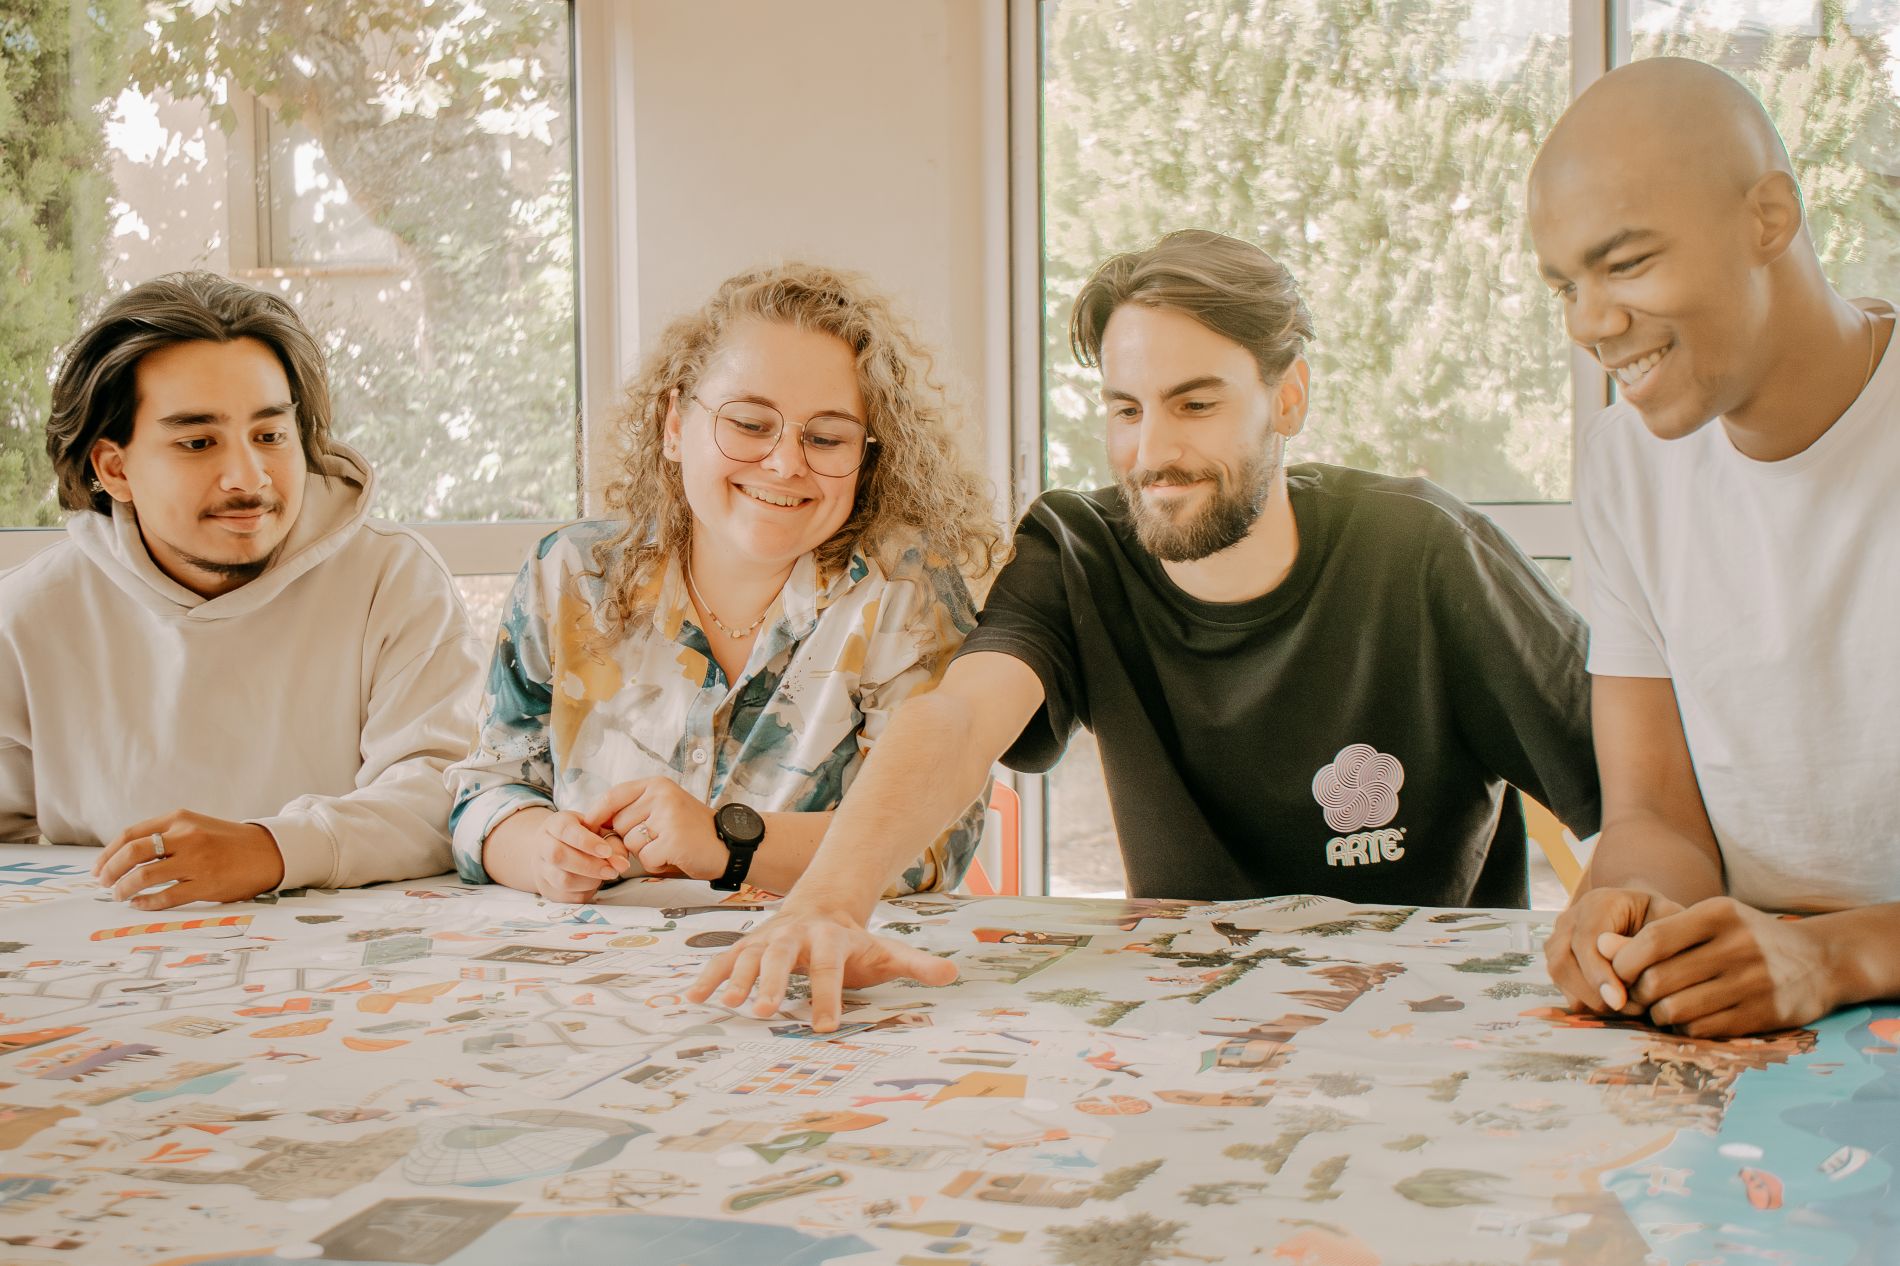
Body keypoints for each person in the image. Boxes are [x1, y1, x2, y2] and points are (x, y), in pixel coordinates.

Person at [690, 229, 1602, 1029]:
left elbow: (1635, 797)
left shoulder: (1424, 549)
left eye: (1195, 404)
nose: (1152, 450)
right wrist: (831, 904)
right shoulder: (1076, 549)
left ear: (1288, 401)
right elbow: (962, 718)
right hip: (1193, 1029)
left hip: (1431, 1021)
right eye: (1126, 410)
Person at [1531, 58, 1900, 1038]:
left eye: (1628, 263)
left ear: (1767, 219)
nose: (1590, 323)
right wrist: (1635, 903)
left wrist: (1835, 954)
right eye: (1564, 284)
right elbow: (1654, 811)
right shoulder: (1623, 469)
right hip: (1759, 1009)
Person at [445, 262, 1001, 903]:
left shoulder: (903, 592)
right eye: (749, 423)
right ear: (674, 425)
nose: (787, 463)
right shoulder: (570, 573)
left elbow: (931, 839)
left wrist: (729, 842)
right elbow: (483, 791)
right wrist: (536, 850)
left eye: (825, 437)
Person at [0, 272, 481, 906]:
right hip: (115, 944)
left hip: (344, 951)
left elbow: (442, 794)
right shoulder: (29, 613)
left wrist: (270, 849)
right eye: (198, 442)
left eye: (269, 435)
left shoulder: (393, 580)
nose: (247, 477)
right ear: (115, 468)